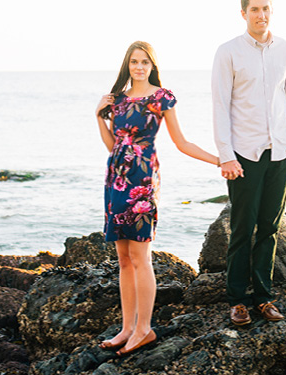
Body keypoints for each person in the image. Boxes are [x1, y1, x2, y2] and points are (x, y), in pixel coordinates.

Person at [95, 41, 219, 355]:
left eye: (144, 62)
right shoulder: (119, 101)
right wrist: (99, 116)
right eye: (134, 62)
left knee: (140, 256)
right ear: (127, 65)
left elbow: (182, 142)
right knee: (123, 259)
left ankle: (144, 328)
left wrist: (220, 160)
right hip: (116, 180)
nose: (139, 67)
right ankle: (126, 328)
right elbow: (113, 146)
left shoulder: (162, 98)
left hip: (143, 181)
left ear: (152, 66)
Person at [212, 0, 286, 326]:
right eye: (255, 9)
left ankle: (264, 298)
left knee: (269, 227)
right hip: (245, 154)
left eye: (266, 9)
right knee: (241, 228)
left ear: (272, 11)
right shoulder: (229, 53)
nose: (261, 15)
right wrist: (226, 156)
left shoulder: (285, 50)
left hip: (281, 151)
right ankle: (238, 301)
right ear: (244, 13)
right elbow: (220, 107)